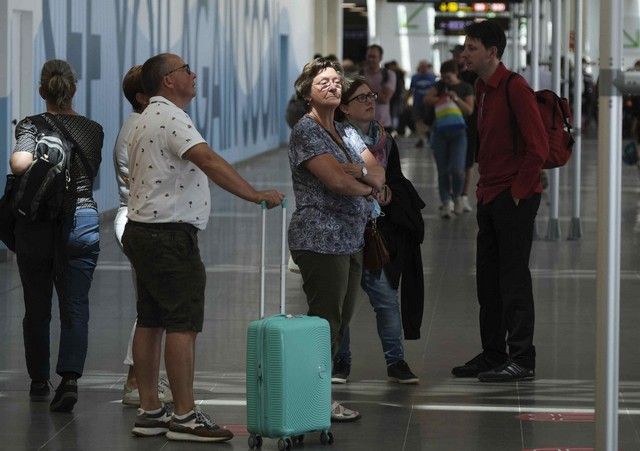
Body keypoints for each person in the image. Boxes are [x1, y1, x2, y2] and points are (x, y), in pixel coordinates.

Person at [123, 53, 284, 441]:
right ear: (167, 81)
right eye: (185, 70)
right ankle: (184, 415)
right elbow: (207, 160)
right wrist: (254, 193)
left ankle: (149, 409)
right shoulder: (172, 117)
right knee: (182, 322)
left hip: (142, 230)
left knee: (151, 318)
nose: (193, 75)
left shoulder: (141, 119)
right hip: (169, 235)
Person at [289, 57, 385, 421]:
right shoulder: (307, 131)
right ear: (307, 91)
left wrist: (359, 170)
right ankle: (314, 399)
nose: (332, 85)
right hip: (319, 239)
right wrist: (364, 184)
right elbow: (336, 182)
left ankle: (317, 394)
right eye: (323, 81)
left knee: (340, 321)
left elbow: (376, 169)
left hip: (350, 238)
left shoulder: (345, 131)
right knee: (325, 323)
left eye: (336, 80)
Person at [451, 20, 548, 382]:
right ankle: (494, 352)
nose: (464, 53)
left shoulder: (515, 87)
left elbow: (537, 146)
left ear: (492, 52)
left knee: (513, 278)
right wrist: (483, 188)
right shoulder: (481, 86)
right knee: (488, 281)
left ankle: (521, 356)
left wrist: (518, 193)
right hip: (489, 194)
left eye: (472, 47)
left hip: (513, 196)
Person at [10, 59, 103, 412]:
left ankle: (38, 380)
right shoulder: (93, 129)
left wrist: (39, 156)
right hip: (81, 220)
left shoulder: (31, 126)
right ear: (74, 89)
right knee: (75, 305)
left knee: (36, 307)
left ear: (41, 91)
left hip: (36, 227)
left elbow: (18, 164)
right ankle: (69, 379)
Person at [332, 76, 425, 385]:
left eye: (371, 96)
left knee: (385, 298)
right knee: (341, 301)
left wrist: (388, 192)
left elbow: (393, 177)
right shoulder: (334, 139)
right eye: (361, 98)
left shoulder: (385, 139)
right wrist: (369, 183)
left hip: (374, 229)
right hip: (342, 228)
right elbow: (333, 179)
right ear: (344, 107)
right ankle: (340, 363)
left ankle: (396, 362)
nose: (371, 101)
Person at [113, 65, 173, 407]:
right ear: (141, 96)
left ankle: (140, 377)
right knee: (150, 305)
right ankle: (136, 381)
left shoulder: (143, 124)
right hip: (139, 219)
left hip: (142, 218)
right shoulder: (141, 128)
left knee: (152, 303)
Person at [424, 60, 474, 218]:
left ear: (456, 74)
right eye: (443, 77)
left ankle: (458, 196)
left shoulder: (466, 87)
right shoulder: (439, 86)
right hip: (440, 132)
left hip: (459, 133)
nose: (446, 80)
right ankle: (446, 202)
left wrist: (456, 99)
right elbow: (427, 99)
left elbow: (469, 110)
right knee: (442, 170)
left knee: (458, 169)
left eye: (449, 78)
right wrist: (441, 97)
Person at [452, 45, 479, 212]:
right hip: (451, 125)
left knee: (468, 163)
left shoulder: (473, 76)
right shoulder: (449, 75)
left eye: (460, 55)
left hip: (470, 124)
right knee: (453, 163)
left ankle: (463, 196)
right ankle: (454, 196)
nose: (458, 58)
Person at [362, 44, 396, 132]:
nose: (370, 59)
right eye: (369, 56)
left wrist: (366, 84)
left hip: (383, 124)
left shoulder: (389, 75)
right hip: (362, 123)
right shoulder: (360, 74)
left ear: (380, 58)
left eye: (373, 57)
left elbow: (384, 99)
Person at [409, 60, 436, 148]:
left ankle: (429, 134)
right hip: (417, 102)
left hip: (428, 103)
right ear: (419, 68)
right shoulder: (414, 77)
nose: (424, 69)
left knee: (428, 121)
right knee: (417, 120)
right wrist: (407, 100)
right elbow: (411, 89)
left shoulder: (432, 77)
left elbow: (436, 89)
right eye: (422, 67)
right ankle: (421, 138)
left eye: (425, 67)